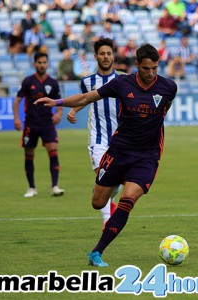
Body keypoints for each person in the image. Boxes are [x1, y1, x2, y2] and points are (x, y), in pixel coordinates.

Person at [35, 43, 178, 267]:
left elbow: (164, 109)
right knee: (98, 202)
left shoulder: (169, 87)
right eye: (146, 69)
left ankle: (97, 252)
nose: (151, 74)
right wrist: (57, 102)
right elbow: (85, 98)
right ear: (137, 65)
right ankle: (106, 184)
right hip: (118, 151)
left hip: (147, 156)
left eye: (155, 69)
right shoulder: (122, 84)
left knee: (127, 200)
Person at [66, 38, 124, 229]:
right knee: (104, 176)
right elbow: (84, 100)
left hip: (121, 140)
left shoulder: (123, 80)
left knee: (116, 182)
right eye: (102, 54)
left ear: (113, 56)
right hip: (98, 138)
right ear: (96, 56)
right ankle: (108, 221)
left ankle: (106, 198)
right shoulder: (88, 81)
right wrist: (74, 110)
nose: (106, 57)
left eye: (109, 53)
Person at [13, 52, 65, 198]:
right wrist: (16, 119)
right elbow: (17, 101)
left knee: (53, 152)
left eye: (44, 62)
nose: (42, 65)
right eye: (39, 62)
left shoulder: (53, 83)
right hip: (31, 124)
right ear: (35, 64)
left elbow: (59, 101)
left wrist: (59, 113)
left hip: (47, 124)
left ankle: (55, 186)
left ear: (47, 64)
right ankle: (31, 188)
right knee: (29, 156)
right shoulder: (28, 81)